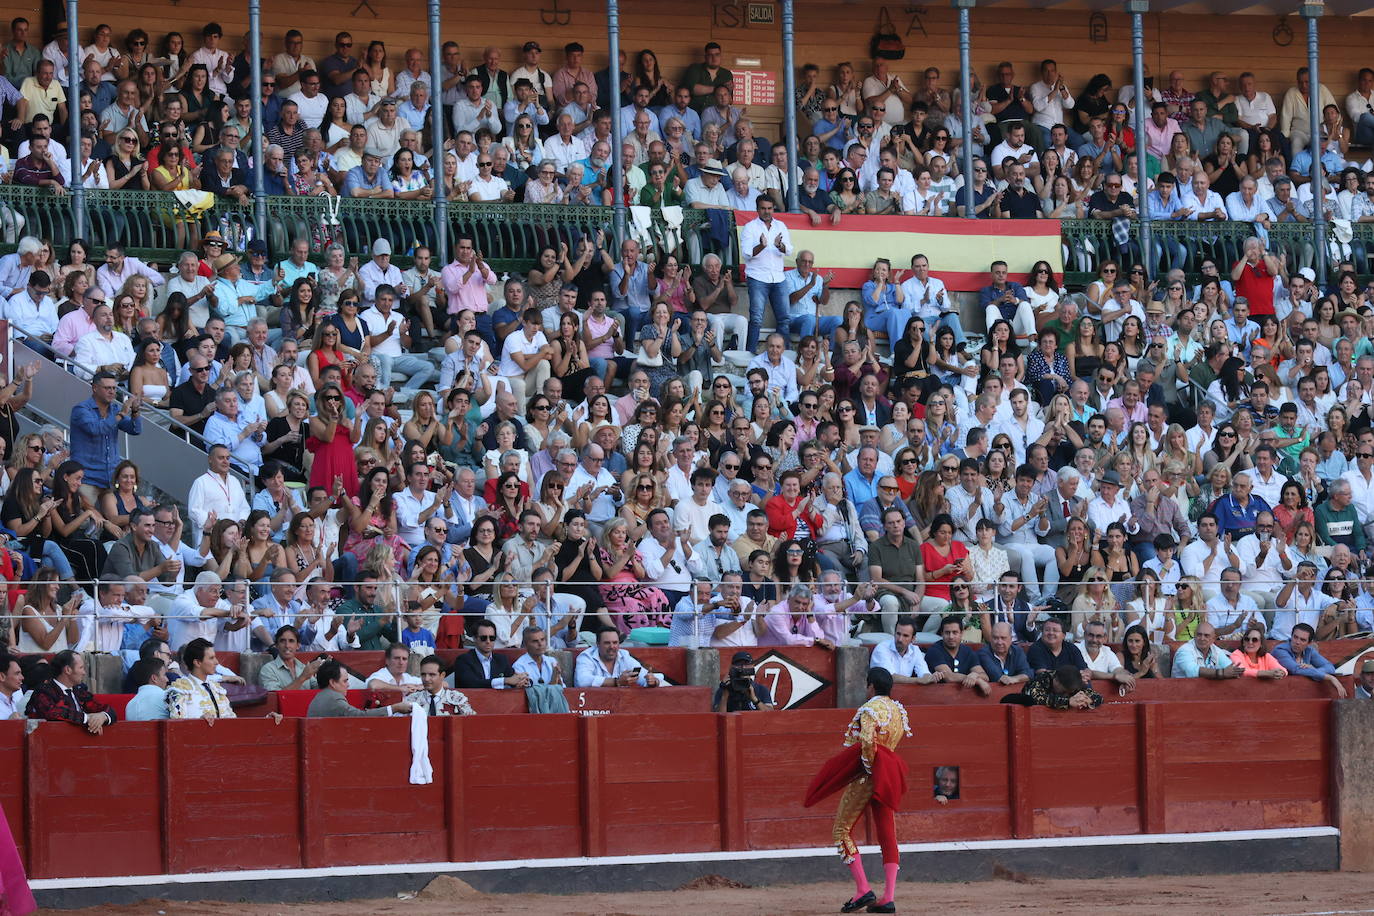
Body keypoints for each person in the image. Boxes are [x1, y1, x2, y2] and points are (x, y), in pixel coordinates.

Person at [803, 666, 908, 915]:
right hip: (888, 776)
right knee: (887, 834)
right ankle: (888, 898)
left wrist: (870, 769)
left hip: (867, 776)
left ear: (871, 685)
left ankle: (863, 889)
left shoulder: (870, 709)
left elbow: (867, 741)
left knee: (841, 830)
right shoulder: (898, 711)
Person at [25, 649, 116, 732]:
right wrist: (87, 718)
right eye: (81, 668)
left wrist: (102, 716)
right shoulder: (43, 691)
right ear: (68, 670)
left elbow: (107, 710)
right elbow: (53, 713)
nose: (84, 673)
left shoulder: (79, 692)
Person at [308, 659, 413, 717]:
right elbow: (359, 716)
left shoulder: (321, 696)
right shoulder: (334, 699)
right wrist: (394, 708)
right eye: (344, 681)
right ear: (333, 683)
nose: (348, 685)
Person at [1272, 622, 1349, 696]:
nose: (1297, 642)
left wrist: (1313, 671)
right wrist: (1329, 677)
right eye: (1295, 637)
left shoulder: (1309, 650)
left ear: (1309, 643)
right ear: (1291, 637)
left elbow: (1330, 667)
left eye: (1302, 640)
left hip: (1300, 693)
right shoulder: (1280, 650)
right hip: (1278, 693)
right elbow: (1295, 669)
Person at [166, 637, 235, 719]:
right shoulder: (180, 690)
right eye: (211, 658)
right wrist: (199, 722)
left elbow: (231, 720)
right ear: (198, 663)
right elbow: (177, 725)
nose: (216, 662)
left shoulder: (217, 689)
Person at [452, 619, 531, 689]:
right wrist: (505, 681)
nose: (488, 641)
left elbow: (513, 679)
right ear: (474, 638)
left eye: (492, 638)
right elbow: (471, 684)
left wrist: (523, 681)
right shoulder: (463, 660)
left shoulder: (501, 660)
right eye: (483, 638)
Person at [574, 626, 663, 687]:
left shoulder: (624, 656)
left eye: (615, 642)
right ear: (597, 644)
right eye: (607, 643)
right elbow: (582, 681)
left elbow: (644, 676)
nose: (612, 647)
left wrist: (653, 681)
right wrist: (616, 682)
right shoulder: (586, 657)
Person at [1011, 664, 1103, 709]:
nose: (1066, 694)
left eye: (1069, 693)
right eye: (1063, 691)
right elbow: (1035, 699)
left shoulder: (1075, 682)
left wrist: (1088, 700)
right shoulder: (1043, 678)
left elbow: (1098, 697)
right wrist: (1067, 701)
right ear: (1056, 681)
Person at [1171, 621, 1243, 678]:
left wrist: (1234, 671)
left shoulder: (1215, 650)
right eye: (1199, 634)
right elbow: (1192, 671)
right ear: (1194, 635)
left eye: (1206, 635)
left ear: (1213, 639)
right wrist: (1221, 673)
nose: (1202, 638)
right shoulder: (1185, 650)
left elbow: (1228, 667)